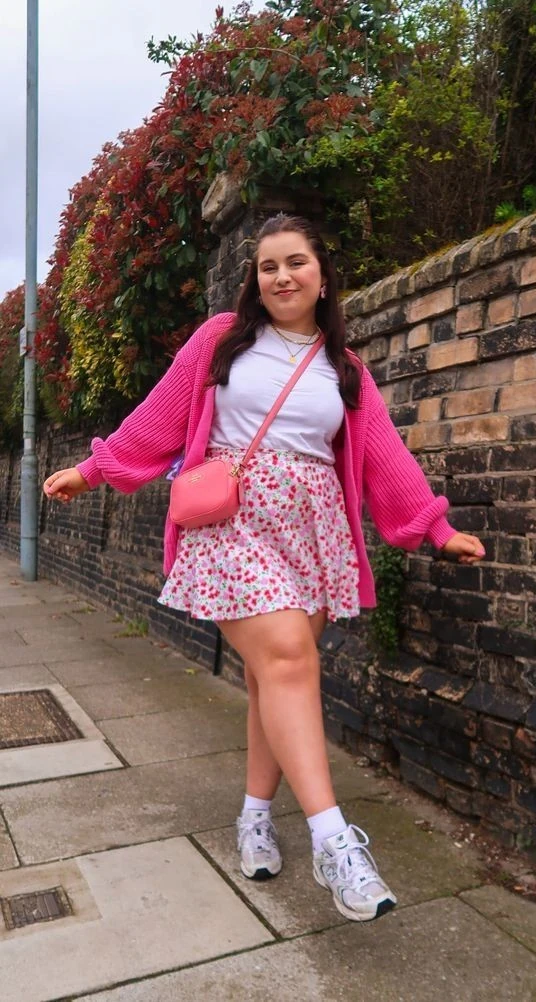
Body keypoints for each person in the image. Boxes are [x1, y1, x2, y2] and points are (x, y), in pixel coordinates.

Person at [44, 213, 485, 923]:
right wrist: (94, 470)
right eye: (267, 265)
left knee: (268, 679)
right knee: (287, 659)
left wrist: (433, 528)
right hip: (232, 520)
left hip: (312, 532)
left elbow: (382, 459)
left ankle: (254, 816)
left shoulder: (346, 369)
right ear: (255, 279)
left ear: (322, 275)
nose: (280, 276)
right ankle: (336, 843)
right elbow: (158, 417)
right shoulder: (221, 340)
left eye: (295, 263)